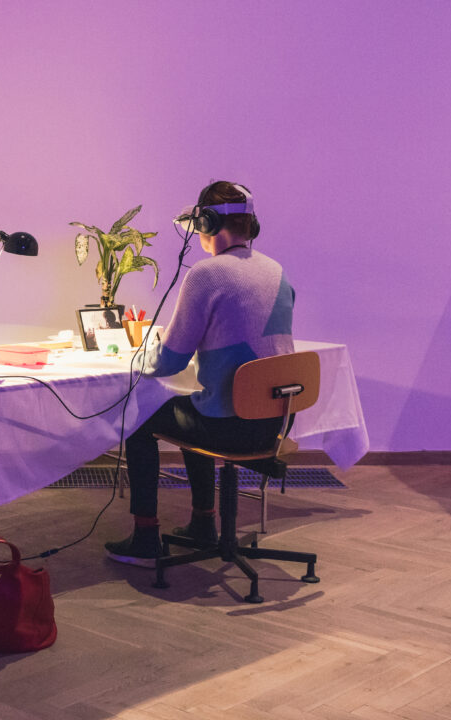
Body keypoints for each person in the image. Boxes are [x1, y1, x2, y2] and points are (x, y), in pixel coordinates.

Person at [105, 180, 295, 566]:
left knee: (140, 420)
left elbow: (170, 362)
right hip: (275, 423)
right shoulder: (277, 272)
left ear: (206, 223)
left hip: (230, 425)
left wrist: (135, 359)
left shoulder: (206, 275)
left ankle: (145, 537)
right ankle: (203, 524)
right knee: (194, 404)